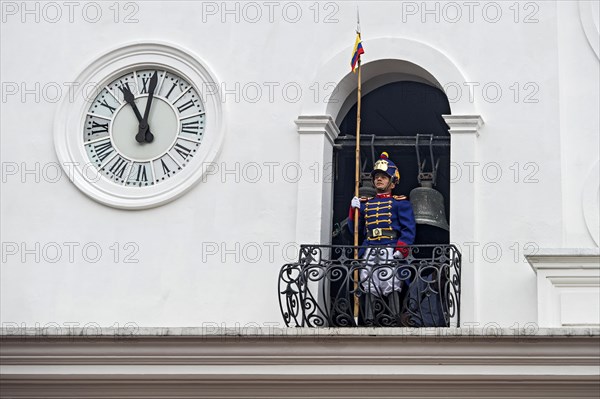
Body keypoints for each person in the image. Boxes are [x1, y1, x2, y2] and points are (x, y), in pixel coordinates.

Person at [347, 152, 416, 325]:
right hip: (370, 247)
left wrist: (401, 249)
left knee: (391, 282)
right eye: (377, 176)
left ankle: (393, 318)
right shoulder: (366, 203)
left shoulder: (400, 203)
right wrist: (353, 211)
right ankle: (369, 319)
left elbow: (409, 229)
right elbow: (355, 230)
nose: (379, 179)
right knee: (368, 281)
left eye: (384, 177)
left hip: (390, 247)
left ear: (392, 181)